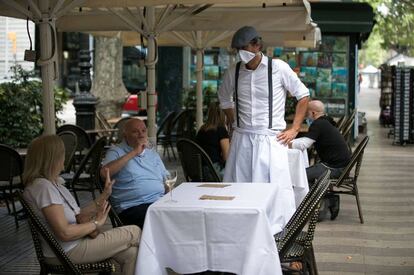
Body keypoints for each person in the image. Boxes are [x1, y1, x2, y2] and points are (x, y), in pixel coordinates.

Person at [23, 135, 140, 275]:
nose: (65, 157)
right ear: (52, 158)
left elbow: (78, 215)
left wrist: (105, 195)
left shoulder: (54, 184)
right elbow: (64, 233)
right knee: (135, 231)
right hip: (66, 251)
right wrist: (96, 223)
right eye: (62, 153)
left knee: (130, 253)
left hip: (76, 244)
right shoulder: (42, 187)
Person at [218, 25, 309, 185]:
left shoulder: (278, 68)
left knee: (273, 187)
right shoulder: (233, 71)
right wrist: (234, 122)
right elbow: (224, 99)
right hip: (242, 139)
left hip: (271, 139)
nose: (240, 52)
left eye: (243, 47)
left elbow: (303, 95)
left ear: (257, 46)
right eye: (237, 49)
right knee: (239, 187)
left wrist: (295, 128)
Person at [101, 118, 169, 229]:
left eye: (143, 130)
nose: (141, 135)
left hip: (158, 203)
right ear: (125, 135)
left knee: (183, 215)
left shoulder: (151, 152)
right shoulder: (116, 151)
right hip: (132, 207)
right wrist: (134, 152)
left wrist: (169, 198)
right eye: (135, 131)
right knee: (167, 223)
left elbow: (167, 178)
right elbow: (104, 173)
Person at [290, 100, 352, 184]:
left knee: (298, 175)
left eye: (306, 114)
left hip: (335, 169)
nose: (305, 117)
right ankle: (312, 193)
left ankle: (310, 196)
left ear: (313, 113)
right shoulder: (326, 121)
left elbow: (304, 144)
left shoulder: (318, 124)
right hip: (343, 167)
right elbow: (307, 139)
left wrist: (286, 144)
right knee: (304, 173)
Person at [196, 102, 230, 178]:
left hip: (198, 171)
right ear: (223, 114)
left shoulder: (202, 129)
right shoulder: (221, 130)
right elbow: (227, 157)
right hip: (213, 171)